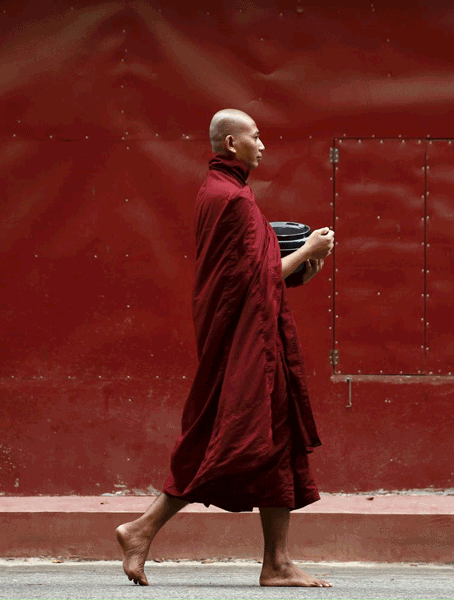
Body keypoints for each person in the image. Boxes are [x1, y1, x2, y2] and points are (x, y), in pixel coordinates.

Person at [116, 109, 335, 587]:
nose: (264, 145)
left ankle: (276, 562)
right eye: (257, 136)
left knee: (278, 439)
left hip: (250, 338)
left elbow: (246, 277)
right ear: (232, 143)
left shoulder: (218, 192)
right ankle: (141, 529)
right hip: (247, 346)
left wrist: (290, 267)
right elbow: (255, 282)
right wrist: (308, 252)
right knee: (226, 441)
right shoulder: (232, 199)